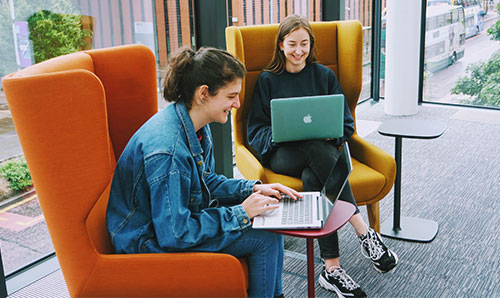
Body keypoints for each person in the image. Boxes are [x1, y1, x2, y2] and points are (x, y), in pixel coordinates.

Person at [106, 46, 301, 298]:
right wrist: (241, 212)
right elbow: (175, 234)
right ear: (204, 94)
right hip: (147, 244)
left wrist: (252, 188)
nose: (237, 104)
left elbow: (204, 181)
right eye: (231, 96)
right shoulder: (168, 151)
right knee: (263, 237)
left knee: (268, 229)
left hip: (168, 226)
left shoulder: (193, 122)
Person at [247, 15, 398, 298]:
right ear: (281, 45)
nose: (298, 51)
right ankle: (364, 232)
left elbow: (346, 124)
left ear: (310, 45)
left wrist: (334, 134)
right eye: (292, 44)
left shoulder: (324, 75)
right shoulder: (268, 80)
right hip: (281, 156)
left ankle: (332, 268)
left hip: (318, 158)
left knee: (313, 176)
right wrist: (278, 135)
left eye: (304, 44)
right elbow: (255, 132)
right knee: (317, 150)